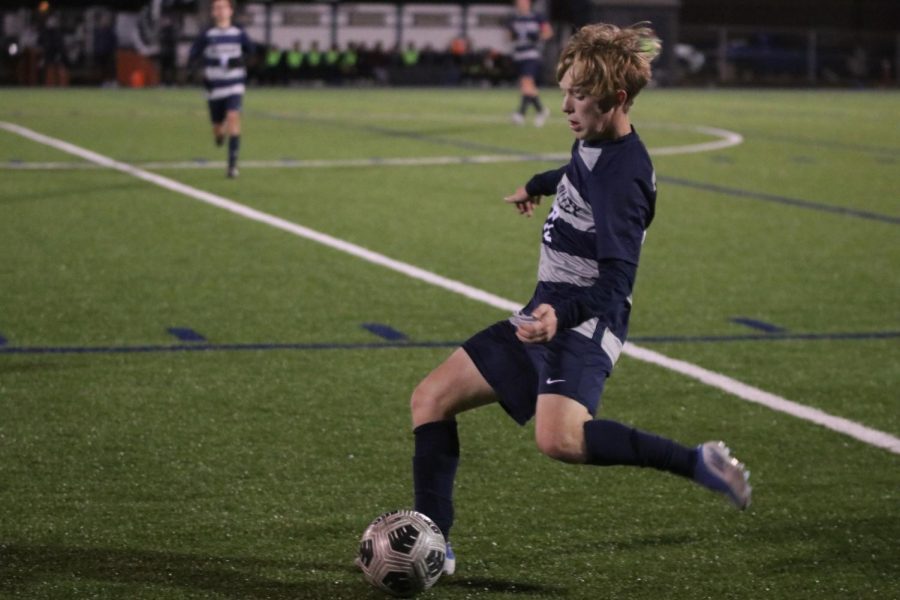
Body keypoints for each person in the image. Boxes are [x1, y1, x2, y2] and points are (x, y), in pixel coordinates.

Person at [410, 23, 752, 578]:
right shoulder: (596, 140)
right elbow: (577, 171)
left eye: (579, 94)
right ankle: (433, 546)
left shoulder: (625, 179)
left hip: (583, 322)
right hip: (547, 311)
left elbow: (617, 283)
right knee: (430, 399)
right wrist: (539, 182)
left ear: (617, 100)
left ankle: (697, 461)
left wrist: (560, 316)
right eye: (564, 89)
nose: (565, 105)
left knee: (561, 440)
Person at [188, 0, 253, 179]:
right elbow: (193, 56)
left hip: (235, 85)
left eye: (224, 7)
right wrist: (201, 72)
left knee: (233, 116)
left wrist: (242, 61)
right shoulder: (207, 35)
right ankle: (219, 134)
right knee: (217, 128)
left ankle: (232, 166)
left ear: (230, 11)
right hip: (215, 87)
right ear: (213, 13)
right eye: (217, 8)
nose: (221, 11)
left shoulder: (239, 33)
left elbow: (252, 53)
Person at [508, 0, 553, 126]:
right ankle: (541, 110)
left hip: (531, 55)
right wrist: (514, 36)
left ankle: (520, 114)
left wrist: (537, 37)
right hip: (519, 55)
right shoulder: (514, 19)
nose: (521, 5)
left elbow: (548, 32)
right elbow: (509, 36)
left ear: (528, 4)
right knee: (527, 86)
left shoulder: (537, 17)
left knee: (526, 83)